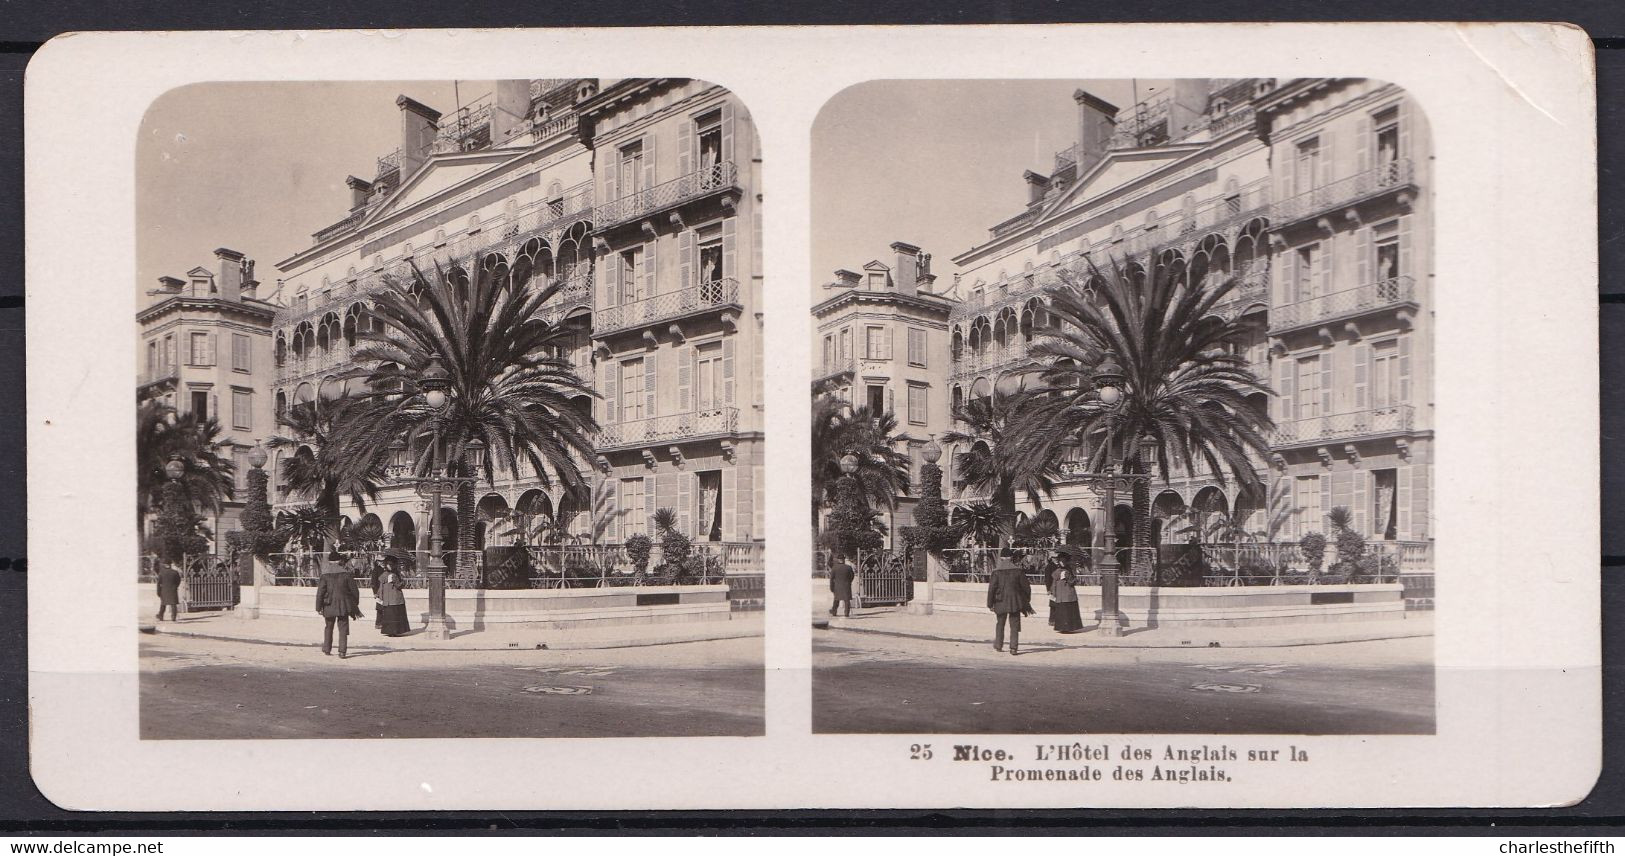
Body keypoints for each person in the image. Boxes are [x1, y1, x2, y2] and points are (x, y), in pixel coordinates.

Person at [315, 549, 364, 658]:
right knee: (343, 627)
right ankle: (342, 651)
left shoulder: (325, 575)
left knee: (328, 627)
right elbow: (355, 591)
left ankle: (327, 649)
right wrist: (354, 604)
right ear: (340, 561)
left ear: (329, 561)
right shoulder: (347, 574)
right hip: (344, 605)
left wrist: (318, 607)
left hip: (328, 605)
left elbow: (320, 593)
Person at [986, 556, 1035, 655]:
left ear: (1001, 558)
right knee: (1014, 625)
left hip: (1000, 601)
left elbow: (991, 589)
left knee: (1000, 623)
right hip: (1015, 602)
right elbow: (1026, 587)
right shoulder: (1018, 571)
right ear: (1011, 558)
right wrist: (1025, 600)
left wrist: (990, 603)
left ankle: (998, 645)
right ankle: (1014, 648)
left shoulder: (996, 572)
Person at [374, 548, 412, 637]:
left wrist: (379, 596)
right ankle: (395, 631)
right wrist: (402, 581)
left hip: (387, 600)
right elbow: (399, 585)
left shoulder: (384, 574)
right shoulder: (394, 574)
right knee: (395, 615)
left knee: (389, 615)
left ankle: (390, 631)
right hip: (395, 599)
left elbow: (380, 586)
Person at [1050, 552, 1085, 634]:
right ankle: (1069, 628)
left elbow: (1053, 584)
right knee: (1069, 612)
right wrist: (1075, 578)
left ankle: (1062, 628)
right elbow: (1071, 582)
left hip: (1060, 596)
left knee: (1061, 612)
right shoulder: (1067, 571)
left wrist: (1053, 593)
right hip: (1068, 595)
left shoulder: (1057, 571)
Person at [829, 553, 856, 618]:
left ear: (838, 560)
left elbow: (832, 579)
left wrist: (831, 587)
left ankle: (834, 612)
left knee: (836, 599)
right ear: (844, 560)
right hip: (846, 586)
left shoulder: (834, 568)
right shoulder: (848, 567)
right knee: (847, 600)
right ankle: (846, 613)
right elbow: (852, 576)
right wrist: (849, 582)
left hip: (837, 586)